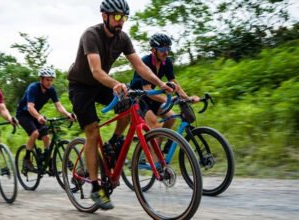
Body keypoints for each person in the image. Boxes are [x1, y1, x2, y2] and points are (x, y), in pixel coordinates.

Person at [67, 0, 174, 210]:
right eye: (116, 17)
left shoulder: (122, 38)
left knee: (128, 103)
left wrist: (161, 84)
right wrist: (116, 83)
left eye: (123, 18)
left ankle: (114, 142)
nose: (120, 22)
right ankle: (96, 188)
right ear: (104, 16)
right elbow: (96, 70)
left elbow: (139, 65)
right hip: (81, 86)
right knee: (92, 131)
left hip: (100, 84)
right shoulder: (91, 35)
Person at [130, 33, 200, 130]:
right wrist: (168, 100)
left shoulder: (167, 62)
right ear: (153, 49)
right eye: (163, 49)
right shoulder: (146, 61)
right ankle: (151, 143)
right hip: (138, 97)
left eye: (168, 49)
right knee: (155, 126)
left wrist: (188, 98)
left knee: (170, 118)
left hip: (150, 97)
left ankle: (163, 145)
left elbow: (175, 84)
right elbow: (148, 90)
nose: (166, 52)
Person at [16, 67, 75, 171]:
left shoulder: (51, 90)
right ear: (41, 79)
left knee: (47, 136)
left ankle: (48, 160)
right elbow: (30, 107)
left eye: (51, 80)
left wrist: (68, 114)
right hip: (23, 114)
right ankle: (27, 158)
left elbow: (58, 106)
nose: (49, 82)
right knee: (35, 133)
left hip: (35, 114)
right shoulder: (33, 88)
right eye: (47, 80)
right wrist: (38, 116)